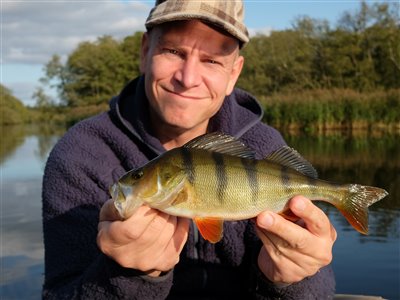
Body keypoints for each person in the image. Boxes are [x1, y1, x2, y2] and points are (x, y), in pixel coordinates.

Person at [42, 0, 337, 299]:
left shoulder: (264, 147)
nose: (188, 78)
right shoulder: (81, 155)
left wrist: (291, 280)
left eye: (211, 60)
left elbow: (318, 291)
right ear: (145, 52)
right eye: (173, 51)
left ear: (233, 74)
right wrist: (130, 277)